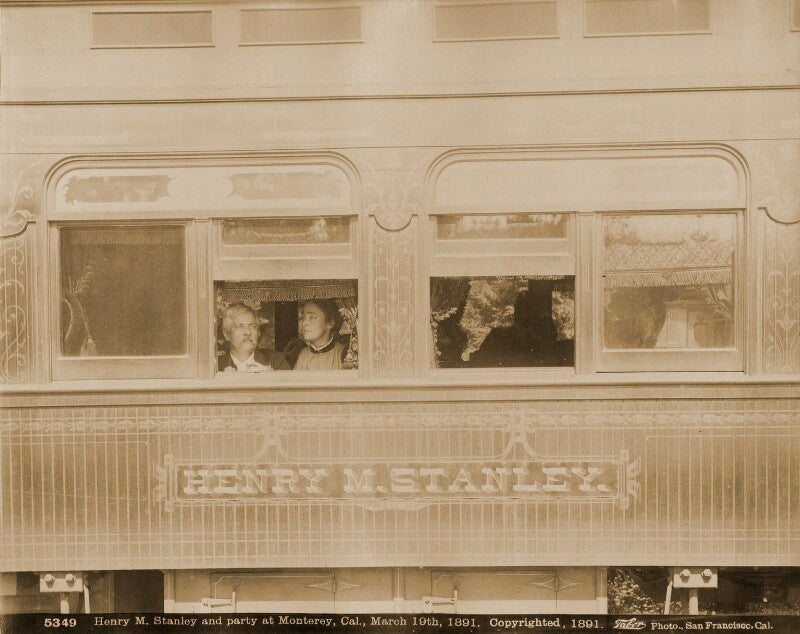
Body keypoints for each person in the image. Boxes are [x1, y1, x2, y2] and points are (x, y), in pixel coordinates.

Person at [467, 280, 573, 368]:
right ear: (515, 311)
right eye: (521, 309)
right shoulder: (497, 335)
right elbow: (480, 360)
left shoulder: (541, 342)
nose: (523, 313)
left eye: (527, 309)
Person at [217, 303, 290, 373]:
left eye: (252, 326)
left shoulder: (276, 361)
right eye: (240, 326)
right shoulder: (215, 366)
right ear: (227, 334)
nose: (248, 332)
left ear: (258, 332)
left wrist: (268, 378)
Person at [293, 298, 345, 370]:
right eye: (303, 318)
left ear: (330, 323)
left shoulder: (343, 353)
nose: (304, 323)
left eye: (312, 318)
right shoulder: (302, 355)